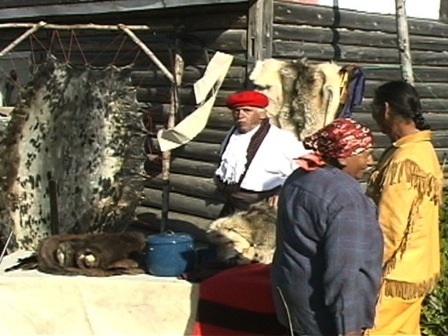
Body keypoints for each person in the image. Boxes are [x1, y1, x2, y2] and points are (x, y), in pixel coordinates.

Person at [271, 118, 384, 336]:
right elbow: (344, 271)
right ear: (342, 157)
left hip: (295, 303)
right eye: (365, 153)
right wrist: (348, 326)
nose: (370, 161)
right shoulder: (345, 197)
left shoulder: (299, 178)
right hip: (323, 316)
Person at [365, 80, 443, 335]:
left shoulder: (404, 159)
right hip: (417, 268)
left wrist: (366, 269)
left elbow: (390, 225)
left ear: (386, 109)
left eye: (375, 108)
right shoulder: (424, 149)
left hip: (395, 274)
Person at [214, 90, 309, 216]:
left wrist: (281, 191)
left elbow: (301, 168)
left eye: (247, 110)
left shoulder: (281, 138)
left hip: (262, 205)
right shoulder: (232, 134)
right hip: (232, 202)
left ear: (262, 115)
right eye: (236, 111)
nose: (240, 115)